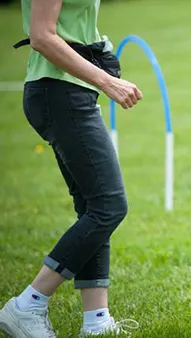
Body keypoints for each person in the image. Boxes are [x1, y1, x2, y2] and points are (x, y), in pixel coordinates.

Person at [0, 0, 142, 337]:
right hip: (59, 92)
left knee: (94, 207)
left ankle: (97, 322)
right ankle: (27, 304)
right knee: (109, 206)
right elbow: (42, 36)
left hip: (69, 90)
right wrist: (107, 81)